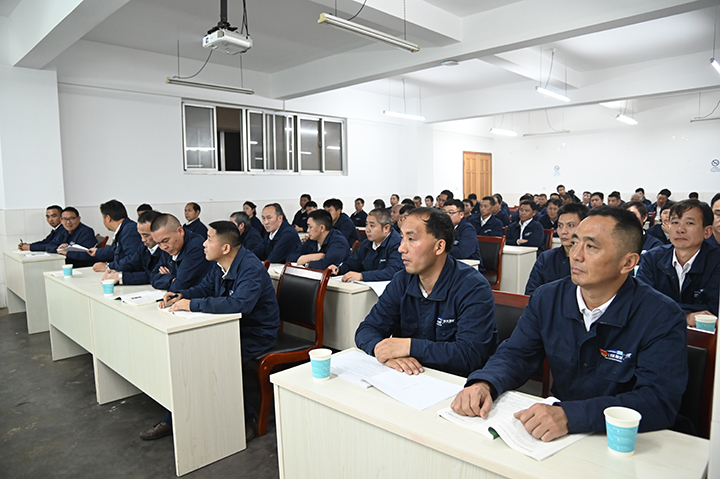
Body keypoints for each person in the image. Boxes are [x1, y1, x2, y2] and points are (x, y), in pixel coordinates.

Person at [451, 206, 688, 441]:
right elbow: (516, 354)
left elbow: (657, 401)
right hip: (558, 435)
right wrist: (485, 383)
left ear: (628, 263)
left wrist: (570, 416)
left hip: (624, 439)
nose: (576, 255)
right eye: (575, 243)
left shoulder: (661, 315)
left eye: (591, 247)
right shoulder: (548, 298)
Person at [143, 221, 280, 442]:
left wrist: (192, 305)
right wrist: (182, 295)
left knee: (214, 360)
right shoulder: (220, 265)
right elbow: (205, 288)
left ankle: (247, 418)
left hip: (255, 333)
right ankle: (175, 417)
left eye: (209, 239)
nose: (203, 244)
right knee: (188, 353)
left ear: (225, 247)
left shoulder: (250, 267)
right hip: (229, 328)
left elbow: (239, 304)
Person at [355, 207, 497, 377]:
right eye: (402, 238)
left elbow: (469, 355)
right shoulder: (402, 280)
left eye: (411, 239)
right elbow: (367, 329)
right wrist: (383, 353)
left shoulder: (473, 287)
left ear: (439, 246)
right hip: (407, 378)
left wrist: (409, 347)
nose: (401, 248)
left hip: (454, 383)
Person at [637, 199, 720, 325]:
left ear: (707, 231)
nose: (680, 229)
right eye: (675, 222)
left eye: (690, 223)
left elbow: (714, 309)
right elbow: (642, 303)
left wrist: (664, 310)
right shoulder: (652, 258)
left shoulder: (716, 261)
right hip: (657, 331)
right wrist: (686, 316)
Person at [524, 203, 588, 295]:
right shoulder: (546, 258)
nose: (563, 232)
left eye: (570, 225)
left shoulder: (590, 260)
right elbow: (531, 293)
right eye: (560, 226)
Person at [329, 208, 402, 282]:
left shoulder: (397, 243)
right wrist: (338, 269)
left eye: (372, 226)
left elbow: (393, 271)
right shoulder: (367, 243)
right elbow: (354, 263)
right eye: (366, 224)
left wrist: (362, 276)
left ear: (386, 228)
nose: (367, 230)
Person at [150, 214, 212, 292]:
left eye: (165, 240)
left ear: (180, 231)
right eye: (158, 243)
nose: (163, 247)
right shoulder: (168, 248)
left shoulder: (196, 247)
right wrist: (171, 279)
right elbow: (152, 277)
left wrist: (168, 278)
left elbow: (179, 286)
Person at [102, 210, 165, 286]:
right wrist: (113, 270)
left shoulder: (166, 250)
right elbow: (131, 263)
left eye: (146, 235)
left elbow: (153, 275)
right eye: (140, 235)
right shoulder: (144, 247)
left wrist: (121, 277)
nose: (143, 239)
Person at [87, 200, 142, 272]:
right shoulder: (125, 228)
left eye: (103, 218)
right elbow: (116, 249)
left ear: (108, 218)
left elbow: (132, 259)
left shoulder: (130, 230)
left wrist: (108, 267)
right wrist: (97, 252)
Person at [443, 200, 482, 265]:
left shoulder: (468, 229)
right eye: (444, 213)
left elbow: (462, 253)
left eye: (450, 213)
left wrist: (441, 248)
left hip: (470, 266)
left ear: (461, 214)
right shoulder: (443, 227)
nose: (446, 216)